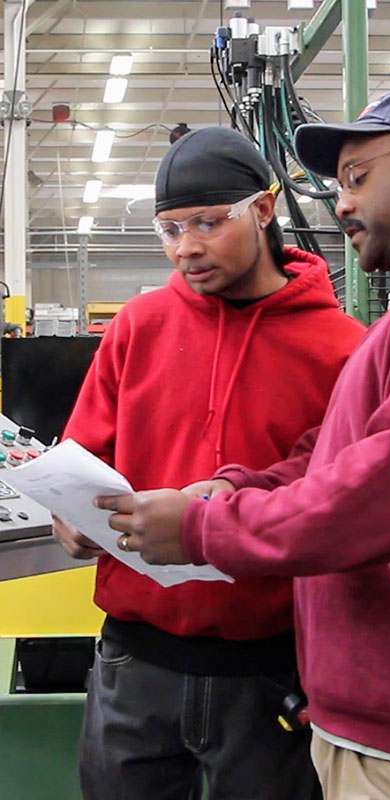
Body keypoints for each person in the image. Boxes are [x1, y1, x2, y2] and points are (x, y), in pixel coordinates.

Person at [97, 91, 390, 800]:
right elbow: (340, 450)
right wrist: (239, 488)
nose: (340, 206)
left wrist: (204, 527)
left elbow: (387, 497)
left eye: (357, 179)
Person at [53, 126, 365, 800]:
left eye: (206, 223)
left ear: (263, 207)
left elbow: (340, 497)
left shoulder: (342, 350)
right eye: (170, 229)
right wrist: (67, 512)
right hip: (135, 662)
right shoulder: (139, 325)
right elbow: (84, 452)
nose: (186, 247)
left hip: (270, 674)